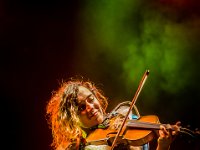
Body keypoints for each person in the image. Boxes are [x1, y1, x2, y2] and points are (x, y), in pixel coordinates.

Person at [46, 78, 180, 150]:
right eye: (81, 107)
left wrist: (163, 146)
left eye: (91, 99)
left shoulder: (125, 117)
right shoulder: (76, 146)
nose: (90, 107)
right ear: (72, 119)